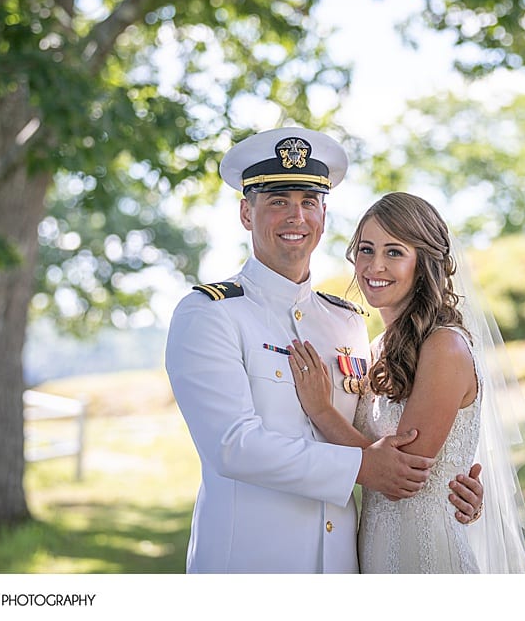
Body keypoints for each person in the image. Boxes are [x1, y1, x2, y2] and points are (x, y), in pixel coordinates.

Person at [165, 128, 484, 573]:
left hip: (346, 565)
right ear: (245, 212)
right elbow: (232, 446)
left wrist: (454, 482)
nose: (296, 216)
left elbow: (394, 433)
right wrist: (363, 469)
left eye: (308, 202)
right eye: (277, 200)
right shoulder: (210, 315)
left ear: (323, 214)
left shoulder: (347, 322)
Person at [289, 191, 525, 573]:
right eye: (366, 249)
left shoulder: (445, 345)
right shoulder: (374, 350)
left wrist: (322, 411)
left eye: (394, 252)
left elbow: (400, 472)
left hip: (428, 558)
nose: (374, 266)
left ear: (423, 263)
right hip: (374, 553)